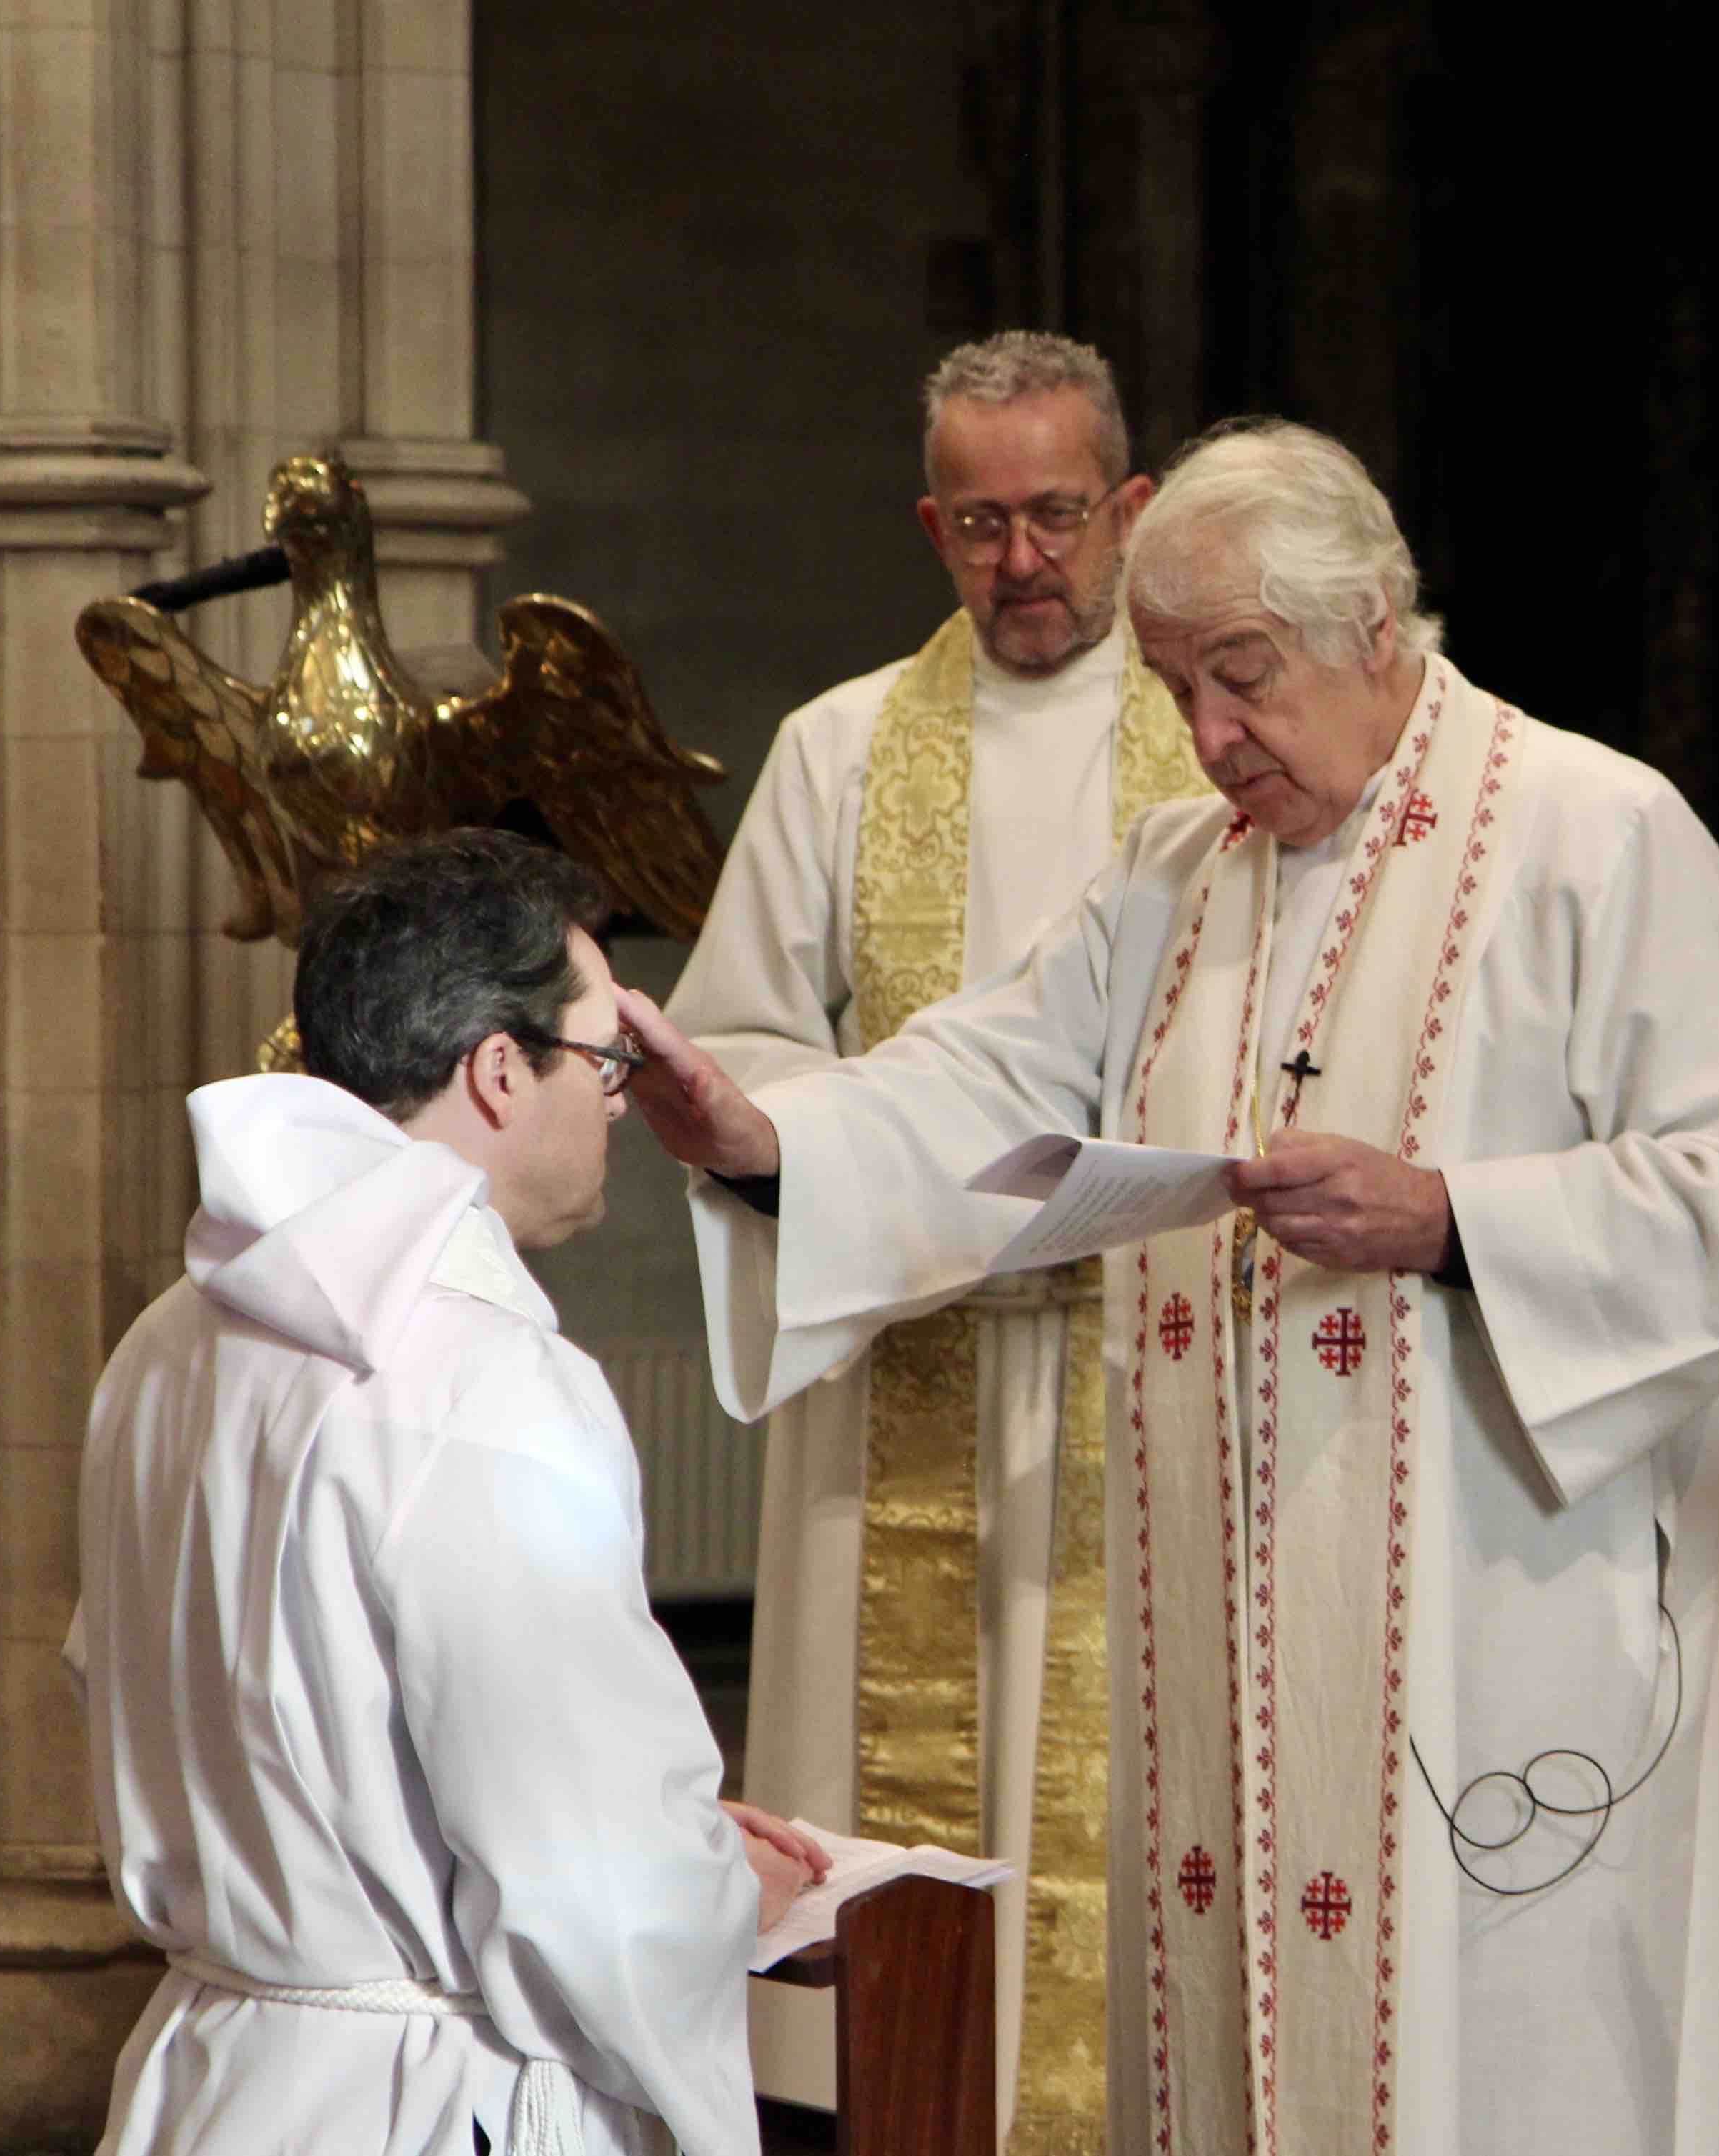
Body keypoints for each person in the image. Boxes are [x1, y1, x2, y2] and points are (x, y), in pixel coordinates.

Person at [627, 418, 1719, 2155]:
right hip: (1237, 1624)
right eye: (1179, 685)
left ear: (1372, 628)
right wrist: (768, 1145)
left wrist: (1455, 1216)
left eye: (1241, 678)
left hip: (1501, 1614)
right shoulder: (1177, 876)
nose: (1208, 739)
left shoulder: (1589, 831)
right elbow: (981, 1085)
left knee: (1500, 2068)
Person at [69, 830, 827, 2156]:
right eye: (604, 1061)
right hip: (424, 2097)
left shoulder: (165, 1338)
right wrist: (720, 1888)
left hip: (221, 2075)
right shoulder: (486, 1377)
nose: (615, 1103)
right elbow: (594, 1886)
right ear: (494, 1071)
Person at [664, 329, 1214, 2131]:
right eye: (980, 525)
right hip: (901, 1344)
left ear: (1131, 508)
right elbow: (739, 1051)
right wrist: (853, 1164)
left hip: (1154, 1359)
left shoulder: (1222, 747)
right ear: (930, 526)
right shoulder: (840, 751)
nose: (1024, 562)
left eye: (1058, 514)